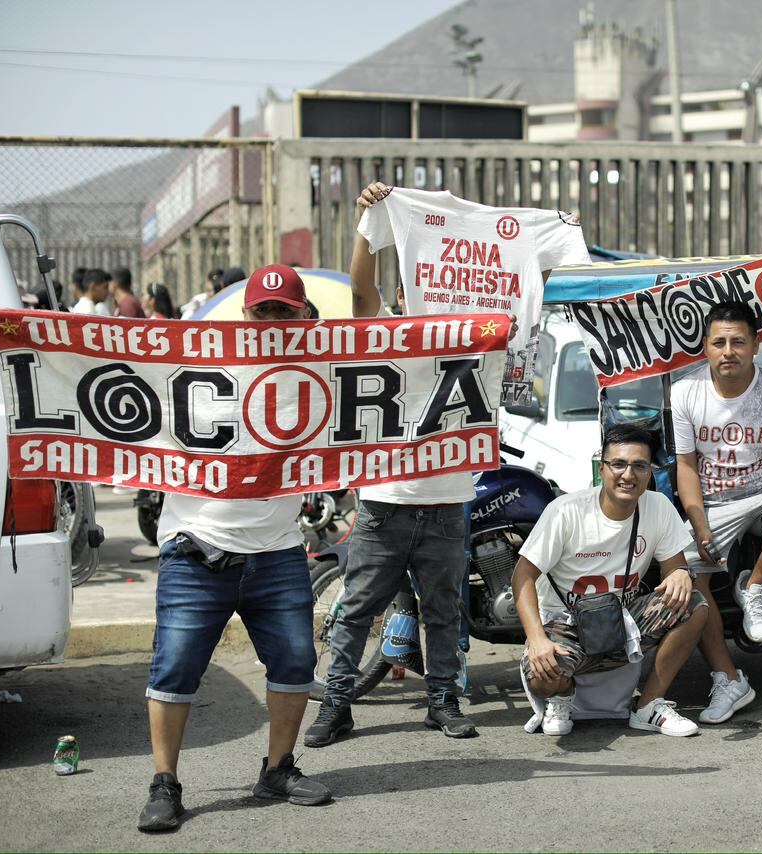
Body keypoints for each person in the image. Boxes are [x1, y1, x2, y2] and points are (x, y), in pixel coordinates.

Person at [134, 264, 331, 831]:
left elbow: (379, 338)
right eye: (262, 311)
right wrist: (23, 333)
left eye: (284, 312)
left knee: (295, 661)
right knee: (174, 669)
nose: (271, 321)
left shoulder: (320, 372)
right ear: (245, 314)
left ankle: (278, 769)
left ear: (302, 318)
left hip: (278, 551)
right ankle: (164, 783)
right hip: (197, 550)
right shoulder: (195, 364)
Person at [305, 185, 480, 746]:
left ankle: (443, 702)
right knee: (355, 610)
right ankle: (337, 704)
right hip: (385, 503)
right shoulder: (382, 334)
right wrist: (367, 223)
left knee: (444, 611)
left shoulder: (471, 336)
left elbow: (519, 292)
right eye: (412, 287)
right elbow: (361, 288)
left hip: (447, 501)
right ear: (403, 295)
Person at [672, 300, 762, 724]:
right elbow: (686, 467)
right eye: (719, 342)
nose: (728, 351)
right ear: (706, 348)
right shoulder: (685, 392)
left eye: (738, 341)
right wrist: (698, 525)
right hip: (716, 501)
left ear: (756, 345)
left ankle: (753, 588)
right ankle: (729, 678)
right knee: (686, 577)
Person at [515, 424, 708, 737]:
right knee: (544, 676)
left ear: (650, 472)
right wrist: (537, 640)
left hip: (622, 626)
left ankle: (648, 707)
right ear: (601, 468)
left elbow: (676, 567)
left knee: (694, 605)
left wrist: (682, 575)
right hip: (566, 631)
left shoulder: (657, 507)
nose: (628, 475)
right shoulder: (566, 512)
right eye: (618, 464)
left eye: (639, 466)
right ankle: (561, 697)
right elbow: (522, 575)